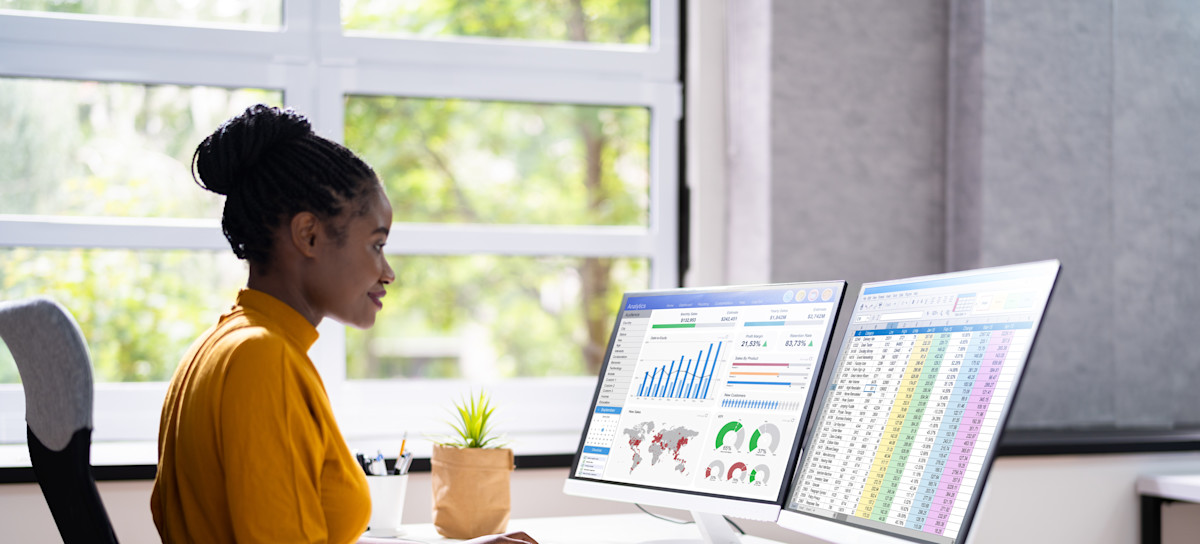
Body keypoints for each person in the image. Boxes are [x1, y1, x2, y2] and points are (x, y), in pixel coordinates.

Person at [151, 105, 537, 544]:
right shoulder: (264, 360)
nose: (387, 271)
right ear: (309, 236)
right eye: (376, 244)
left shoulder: (217, 347)